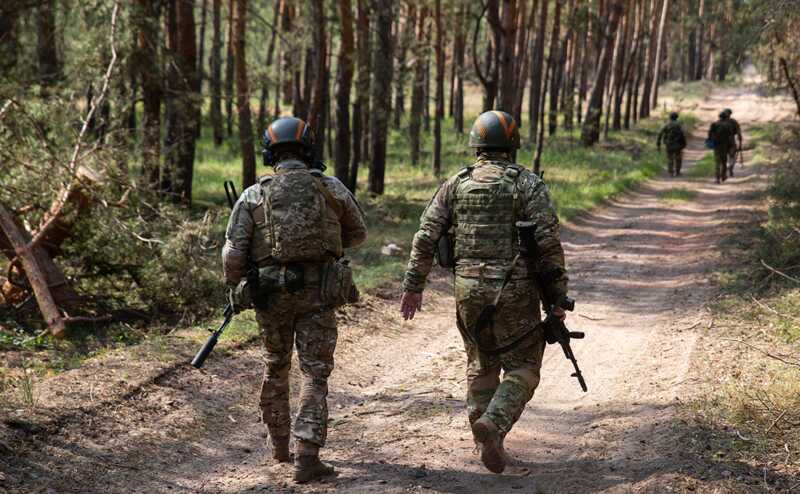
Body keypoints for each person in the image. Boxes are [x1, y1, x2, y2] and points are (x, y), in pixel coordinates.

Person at [400, 110, 569, 474]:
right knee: (524, 366)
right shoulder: (526, 184)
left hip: (467, 291)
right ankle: (494, 424)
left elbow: (425, 235)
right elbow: (548, 243)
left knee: (480, 364)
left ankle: (488, 442)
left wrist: (414, 286)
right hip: (515, 290)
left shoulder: (456, 183)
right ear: (512, 144)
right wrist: (557, 298)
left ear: (476, 143)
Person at [222, 117, 367, 483]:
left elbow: (233, 254)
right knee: (314, 373)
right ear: (308, 149)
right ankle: (307, 454)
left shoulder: (254, 194)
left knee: (275, 366)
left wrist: (239, 285)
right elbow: (359, 233)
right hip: (319, 293)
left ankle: (279, 447)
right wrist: (325, 245)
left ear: (271, 152)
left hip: (271, 295)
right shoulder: (330, 187)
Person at [708, 111, 737, 183]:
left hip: (717, 145)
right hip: (725, 145)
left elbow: (709, 135)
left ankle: (717, 178)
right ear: (725, 117)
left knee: (717, 162)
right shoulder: (728, 125)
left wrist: (711, 142)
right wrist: (731, 145)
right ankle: (723, 176)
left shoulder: (714, 124)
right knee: (724, 161)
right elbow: (731, 135)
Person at [657, 112, 687, 177]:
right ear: (676, 117)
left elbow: (660, 134)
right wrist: (684, 143)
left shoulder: (666, 125)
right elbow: (682, 135)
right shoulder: (679, 125)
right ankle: (677, 172)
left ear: (670, 117)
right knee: (678, 158)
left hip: (668, 144)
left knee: (670, 158)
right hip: (678, 144)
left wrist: (658, 143)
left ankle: (671, 172)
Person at [722, 108, 743, 177]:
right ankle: (730, 167)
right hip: (731, 141)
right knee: (732, 156)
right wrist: (740, 139)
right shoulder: (733, 122)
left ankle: (728, 168)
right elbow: (738, 131)